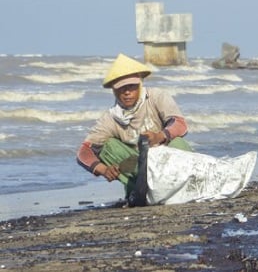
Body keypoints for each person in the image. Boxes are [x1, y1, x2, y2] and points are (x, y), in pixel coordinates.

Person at [77, 53, 192, 202]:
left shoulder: (156, 97)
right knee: (108, 147)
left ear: (140, 83)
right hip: (139, 170)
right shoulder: (111, 118)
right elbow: (83, 152)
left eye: (131, 86)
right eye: (121, 88)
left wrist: (159, 136)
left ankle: (183, 186)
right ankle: (138, 191)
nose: (127, 92)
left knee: (178, 143)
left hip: (167, 162)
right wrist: (103, 170)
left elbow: (180, 124)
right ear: (114, 90)